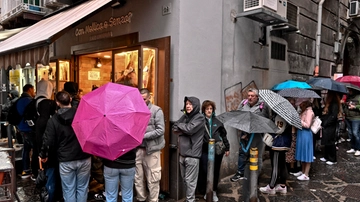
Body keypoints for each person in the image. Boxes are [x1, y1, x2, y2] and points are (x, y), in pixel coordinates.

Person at [40, 91, 91, 202]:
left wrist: (43, 154)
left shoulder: (53, 120)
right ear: (71, 100)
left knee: (68, 189)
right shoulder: (82, 115)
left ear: (57, 103)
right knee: (82, 188)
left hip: (66, 159)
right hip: (84, 155)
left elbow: (48, 141)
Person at [231, 88, 270, 201]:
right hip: (244, 134)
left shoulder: (262, 106)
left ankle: (255, 177)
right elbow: (238, 116)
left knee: (256, 158)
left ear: (257, 97)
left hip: (257, 136)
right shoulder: (243, 104)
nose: (250, 97)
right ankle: (242, 173)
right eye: (249, 95)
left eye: (253, 96)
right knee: (243, 153)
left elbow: (265, 121)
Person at [135, 88, 165, 202]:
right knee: (138, 178)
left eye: (144, 99)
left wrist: (142, 136)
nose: (142, 102)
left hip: (151, 150)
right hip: (138, 149)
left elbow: (160, 130)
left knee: (153, 178)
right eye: (140, 99)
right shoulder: (136, 111)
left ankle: (153, 200)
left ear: (149, 98)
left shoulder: (157, 111)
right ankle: (141, 199)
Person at [172, 96, 205, 202]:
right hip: (182, 153)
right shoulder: (185, 117)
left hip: (192, 155)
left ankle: (190, 200)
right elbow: (174, 127)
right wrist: (184, 127)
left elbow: (190, 129)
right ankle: (189, 199)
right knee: (185, 180)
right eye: (186, 104)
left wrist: (182, 127)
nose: (188, 106)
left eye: (190, 104)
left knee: (190, 181)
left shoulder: (200, 117)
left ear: (195, 105)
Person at [198, 100, 230, 202]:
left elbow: (223, 135)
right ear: (204, 110)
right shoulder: (200, 121)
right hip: (204, 149)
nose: (209, 110)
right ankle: (206, 191)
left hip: (216, 150)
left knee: (215, 170)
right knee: (204, 170)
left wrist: (227, 147)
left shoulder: (218, 121)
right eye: (207, 109)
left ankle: (214, 190)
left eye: (211, 109)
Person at [35, 79, 58, 202]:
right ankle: (51, 197)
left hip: (44, 154)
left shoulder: (39, 121)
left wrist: (41, 154)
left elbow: (41, 140)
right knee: (52, 177)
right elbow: (49, 139)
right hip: (52, 155)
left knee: (50, 175)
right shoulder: (52, 122)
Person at [259, 115, 292, 194]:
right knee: (282, 165)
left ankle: (271, 186)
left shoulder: (280, 117)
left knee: (276, 166)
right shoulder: (287, 117)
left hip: (278, 144)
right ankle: (282, 186)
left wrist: (270, 127)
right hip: (284, 143)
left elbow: (278, 130)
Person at [16, 84, 36, 179]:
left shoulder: (19, 100)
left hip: (21, 128)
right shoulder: (29, 101)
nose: (34, 91)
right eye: (33, 89)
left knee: (26, 149)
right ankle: (34, 170)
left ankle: (26, 169)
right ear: (29, 89)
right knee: (35, 148)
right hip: (28, 128)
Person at [294, 100, 314, 181]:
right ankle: (302, 171)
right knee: (302, 152)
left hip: (306, 134)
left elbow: (308, 125)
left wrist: (300, 121)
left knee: (307, 153)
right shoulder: (304, 111)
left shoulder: (309, 111)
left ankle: (306, 174)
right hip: (301, 133)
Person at [319, 91, 342, 165]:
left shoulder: (334, 103)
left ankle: (332, 159)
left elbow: (333, 116)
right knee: (327, 140)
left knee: (330, 141)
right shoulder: (332, 102)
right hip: (328, 124)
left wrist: (326, 123)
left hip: (330, 125)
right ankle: (327, 156)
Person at [344, 88, 360, 156]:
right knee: (350, 133)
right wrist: (346, 104)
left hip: (356, 118)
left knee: (355, 133)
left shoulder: (359, 97)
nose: (348, 91)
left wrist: (355, 107)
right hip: (348, 117)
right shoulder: (348, 96)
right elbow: (345, 106)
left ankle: (358, 149)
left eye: (350, 90)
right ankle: (353, 147)